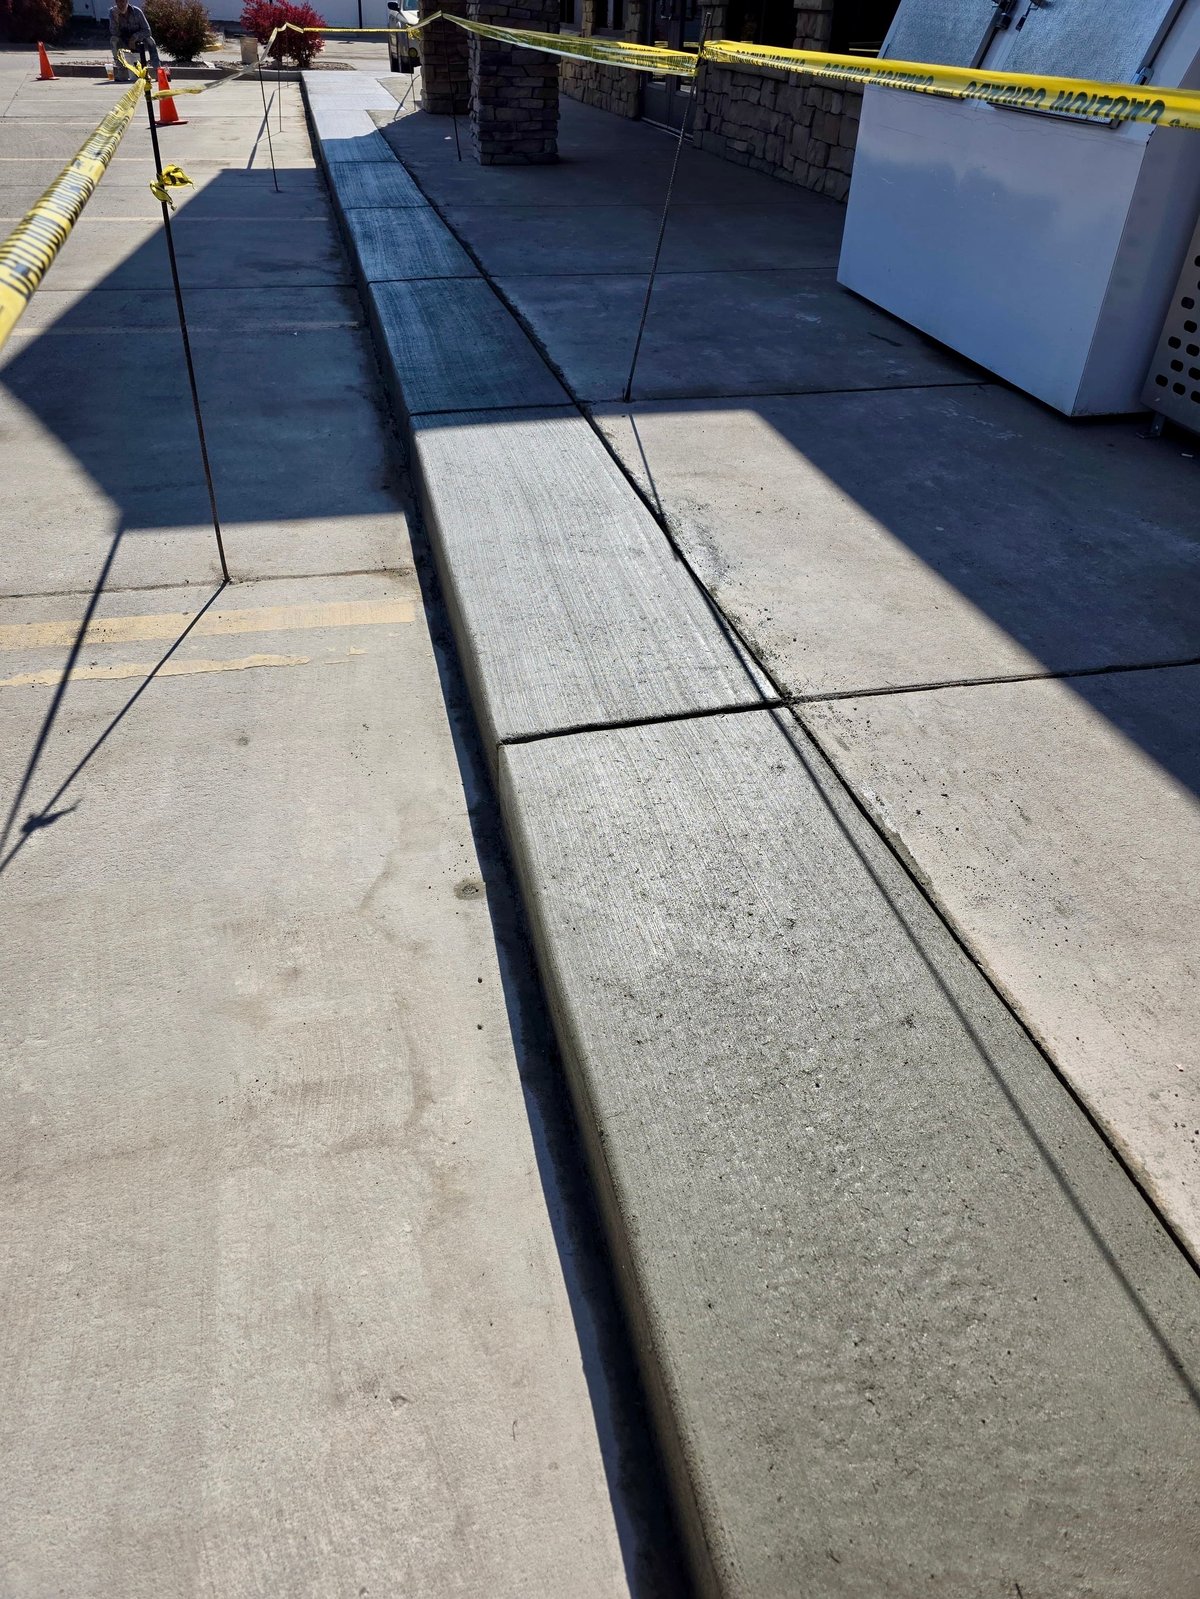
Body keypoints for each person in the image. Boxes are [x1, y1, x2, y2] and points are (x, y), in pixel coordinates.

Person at [110, 0, 161, 82]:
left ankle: (157, 70)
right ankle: (122, 72)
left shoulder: (137, 12)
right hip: (124, 40)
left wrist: (134, 37)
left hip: (139, 40)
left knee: (150, 40)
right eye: (118, 2)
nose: (121, 4)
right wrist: (116, 20)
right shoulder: (113, 12)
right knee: (113, 40)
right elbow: (114, 32)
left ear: (127, 2)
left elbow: (147, 30)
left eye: (123, 2)